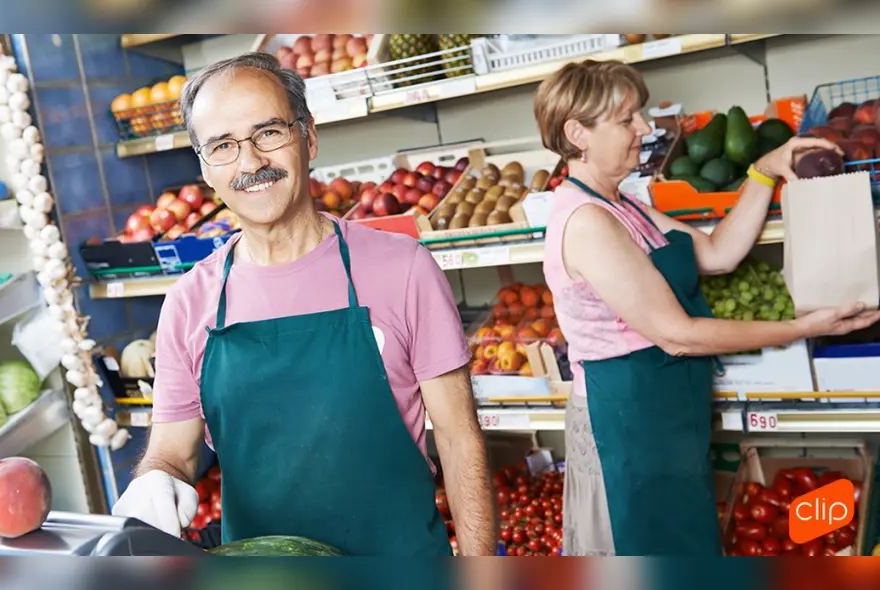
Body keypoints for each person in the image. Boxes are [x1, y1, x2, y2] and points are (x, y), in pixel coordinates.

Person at [111, 52, 496, 557]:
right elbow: (173, 452)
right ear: (205, 168)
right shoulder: (190, 302)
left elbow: (459, 439)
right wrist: (156, 480)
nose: (250, 163)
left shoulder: (402, 269)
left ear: (308, 137)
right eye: (223, 146)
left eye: (268, 133)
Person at [533, 59, 880, 557]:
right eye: (627, 119)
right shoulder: (587, 222)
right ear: (576, 133)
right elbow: (677, 334)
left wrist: (764, 171)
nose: (645, 129)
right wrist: (799, 327)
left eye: (642, 114)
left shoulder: (622, 204)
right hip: (627, 424)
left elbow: (718, 255)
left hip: (665, 412)